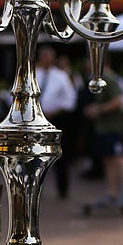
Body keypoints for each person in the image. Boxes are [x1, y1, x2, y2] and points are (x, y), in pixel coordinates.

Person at [82, 66, 123, 216]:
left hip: (113, 128)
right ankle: (112, 193)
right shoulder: (100, 78)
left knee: (119, 158)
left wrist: (98, 109)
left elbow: (118, 101)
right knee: (108, 158)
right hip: (104, 128)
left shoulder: (109, 79)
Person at [35, 46, 77, 199]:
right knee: (37, 156)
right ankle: (36, 189)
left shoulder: (61, 76)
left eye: (49, 56)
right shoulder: (34, 74)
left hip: (57, 118)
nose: (46, 59)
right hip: (37, 119)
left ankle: (63, 189)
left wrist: (56, 111)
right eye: (44, 56)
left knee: (60, 154)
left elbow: (70, 99)